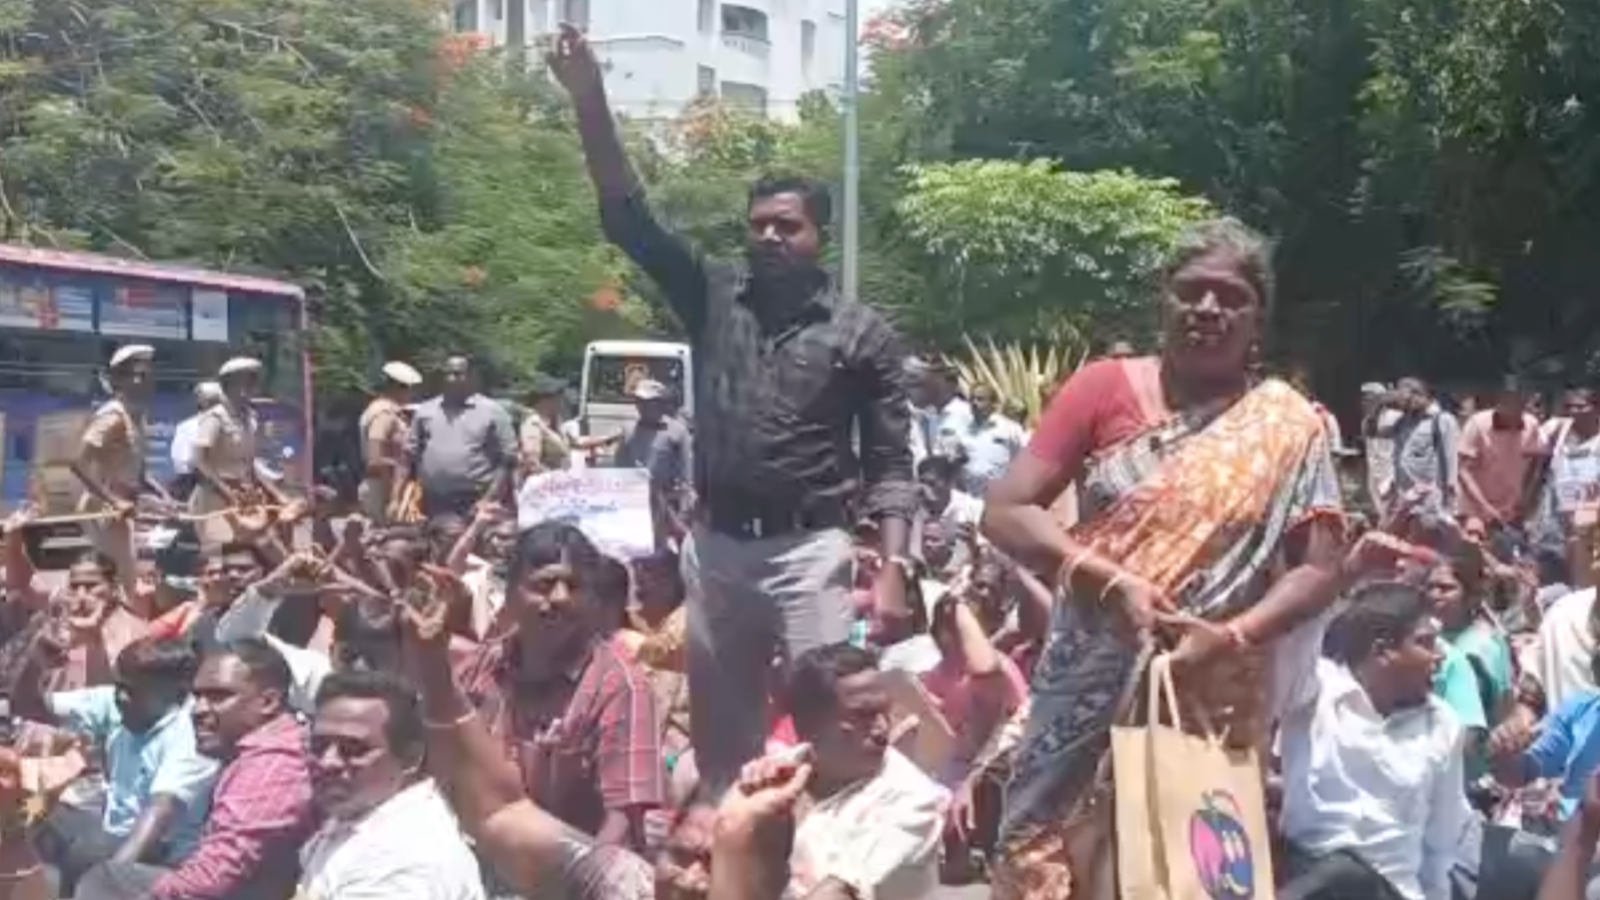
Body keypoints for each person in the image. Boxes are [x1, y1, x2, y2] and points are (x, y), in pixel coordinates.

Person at [549, 25, 918, 797]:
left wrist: (892, 570)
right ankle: (728, 862)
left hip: (811, 553)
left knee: (834, 731)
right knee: (724, 749)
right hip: (715, 552)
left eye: (788, 225)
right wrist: (590, 99)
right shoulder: (713, 297)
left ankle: (830, 864)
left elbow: (891, 465)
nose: (770, 237)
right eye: (758, 226)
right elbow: (629, 220)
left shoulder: (863, 335)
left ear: (819, 235)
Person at [979, 217, 1346, 898]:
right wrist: (1105, 577)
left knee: (1188, 866)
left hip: (1206, 687)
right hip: (1084, 676)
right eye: (1192, 291)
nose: (1208, 308)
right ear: (1164, 301)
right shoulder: (1101, 389)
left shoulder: (1288, 424)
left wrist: (1232, 634)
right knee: (1044, 853)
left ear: (1257, 318)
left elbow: (1319, 567)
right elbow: (1004, 509)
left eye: (1230, 297)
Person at [457, 522, 665, 853]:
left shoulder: (619, 687)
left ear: (594, 601)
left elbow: (625, 822)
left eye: (574, 585)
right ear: (509, 595)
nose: (559, 597)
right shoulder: (480, 668)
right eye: (543, 585)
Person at [76, 640, 315, 900]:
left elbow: (212, 879)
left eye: (219, 696)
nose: (198, 710)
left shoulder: (272, 766)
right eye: (197, 696)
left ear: (268, 702)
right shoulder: (255, 751)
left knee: (109, 882)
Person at [1277, 580, 1468, 900]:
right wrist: (1339, 576)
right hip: (1308, 880)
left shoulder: (1442, 724)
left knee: (1349, 876)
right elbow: (1291, 645)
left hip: (1392, 892)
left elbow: (1440, 846)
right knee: (1339, 873)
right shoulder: (1315, 693)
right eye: (1425, 643)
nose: (1439, 657)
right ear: (1382, 652)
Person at [20, 637, 217, 895]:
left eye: (133, 691)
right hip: (108, 830)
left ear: (176, 694)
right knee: (29, 811)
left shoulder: (190, 737)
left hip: (158, 855)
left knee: (87, 854)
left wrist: (110, 881)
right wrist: (36, 665)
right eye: (118, 686)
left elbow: (159, 812)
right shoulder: (117, 703)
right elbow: (29, 706)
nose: (121, 697)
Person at [298, 669, 485, 900]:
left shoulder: (402, 858)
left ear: (409, 758)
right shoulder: (359, 815)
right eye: (318, 746)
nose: (327, 762)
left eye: (354, 749)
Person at [783, 643, 948, 900]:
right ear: (808, 724)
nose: (882, 728)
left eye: (884, 711)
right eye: (863, 715)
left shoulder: (913, 801)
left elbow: (838, 892)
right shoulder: (776, 775)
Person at [72, 344, 164, 607]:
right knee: (121, 580)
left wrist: (162, 495)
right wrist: (113, 501)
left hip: (121, 507)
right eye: (139, 375)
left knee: (126, 578)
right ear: (120, 381)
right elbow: (78, 464)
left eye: (149, 374)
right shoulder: (113, 416)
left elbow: (139, 469)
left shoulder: (136, 415)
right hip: (104, 507)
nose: (147, 381)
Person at [406, 355, 517, 518]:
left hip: (475, 499)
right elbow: (409, 455)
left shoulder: (493, 411)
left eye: (458, 374)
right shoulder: (425, 411)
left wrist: (490, 498)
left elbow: (508, 459)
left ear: (471, 377)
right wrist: (398, 496)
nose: (451, 379)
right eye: (447, 374)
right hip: (432, 500)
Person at [189, 358, 276, 548]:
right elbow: (199, 460)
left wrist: (277, 495)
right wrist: (226, 491)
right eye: (247, 381)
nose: (252, 387)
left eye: (254, 381)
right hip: (214, 500)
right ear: (230, 385)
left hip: (244, 499)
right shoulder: (215, 417)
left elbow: (250, 465)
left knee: (269, 548)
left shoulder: (252, 419)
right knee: (224, 562)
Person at [1459, 375, 1545, 534]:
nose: (1513, 406)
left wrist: (1526, 498)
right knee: (1474, 552)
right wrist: (1484, 507)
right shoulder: (1477, 424)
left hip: (1513, 512)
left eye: (1519, 400)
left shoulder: (1531, 424)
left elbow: (1535, 464)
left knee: (1514, 555)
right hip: (1477, 509)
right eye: (1508, 400)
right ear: (1499, 401)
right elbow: (1463, 470)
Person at [614, 379, 693, 548]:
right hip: (635, 502)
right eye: (638, 402)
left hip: (667, 503)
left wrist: (684, 509)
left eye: (646, 402)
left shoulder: (677, 432)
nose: (641, 406)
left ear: (659, 403)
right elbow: (618, 469)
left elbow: (686, 474)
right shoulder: (629, 431)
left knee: (664, 550)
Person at [1370, 377, 1461, 518]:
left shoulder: (1442, 420)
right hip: (1404, 500)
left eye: (1407, 399)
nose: (1403, 404)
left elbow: (1451, 462)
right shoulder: (1404, 421)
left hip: (1430, 502)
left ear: (1420, 395)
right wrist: (1378, 406)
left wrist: (1448, 502)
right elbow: (1372, 432)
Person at [519, 373, 618, 478]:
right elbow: (531, 462)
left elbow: (575, 442)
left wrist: (609, 438)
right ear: (545, 399)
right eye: (558, 394)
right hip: (547, 486)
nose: (562, 399)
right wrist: (553, 479)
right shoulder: (533, 424)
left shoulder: (553, 422)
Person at [360, 361, 422, 525]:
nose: (412, 394)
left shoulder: (387, 411)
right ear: (399, 388)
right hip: (382, 488)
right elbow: (375, 457)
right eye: (410, 388)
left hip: (385, 486)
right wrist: (393, 496)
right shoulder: (385, 414)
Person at [952, 383, 1027, 496]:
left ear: (993, 404)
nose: (974, 403)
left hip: (1000, 496)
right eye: (972, 399)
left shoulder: (1010, 429)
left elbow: (1024, 459)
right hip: (969, 497)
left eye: (980, 399)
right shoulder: (961, 429)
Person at [169, 383, 225, 502]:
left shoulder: (227, 424)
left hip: (216, 480)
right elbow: (185, 464)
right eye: (213, 401)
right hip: (195, 484)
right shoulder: (188, 426)